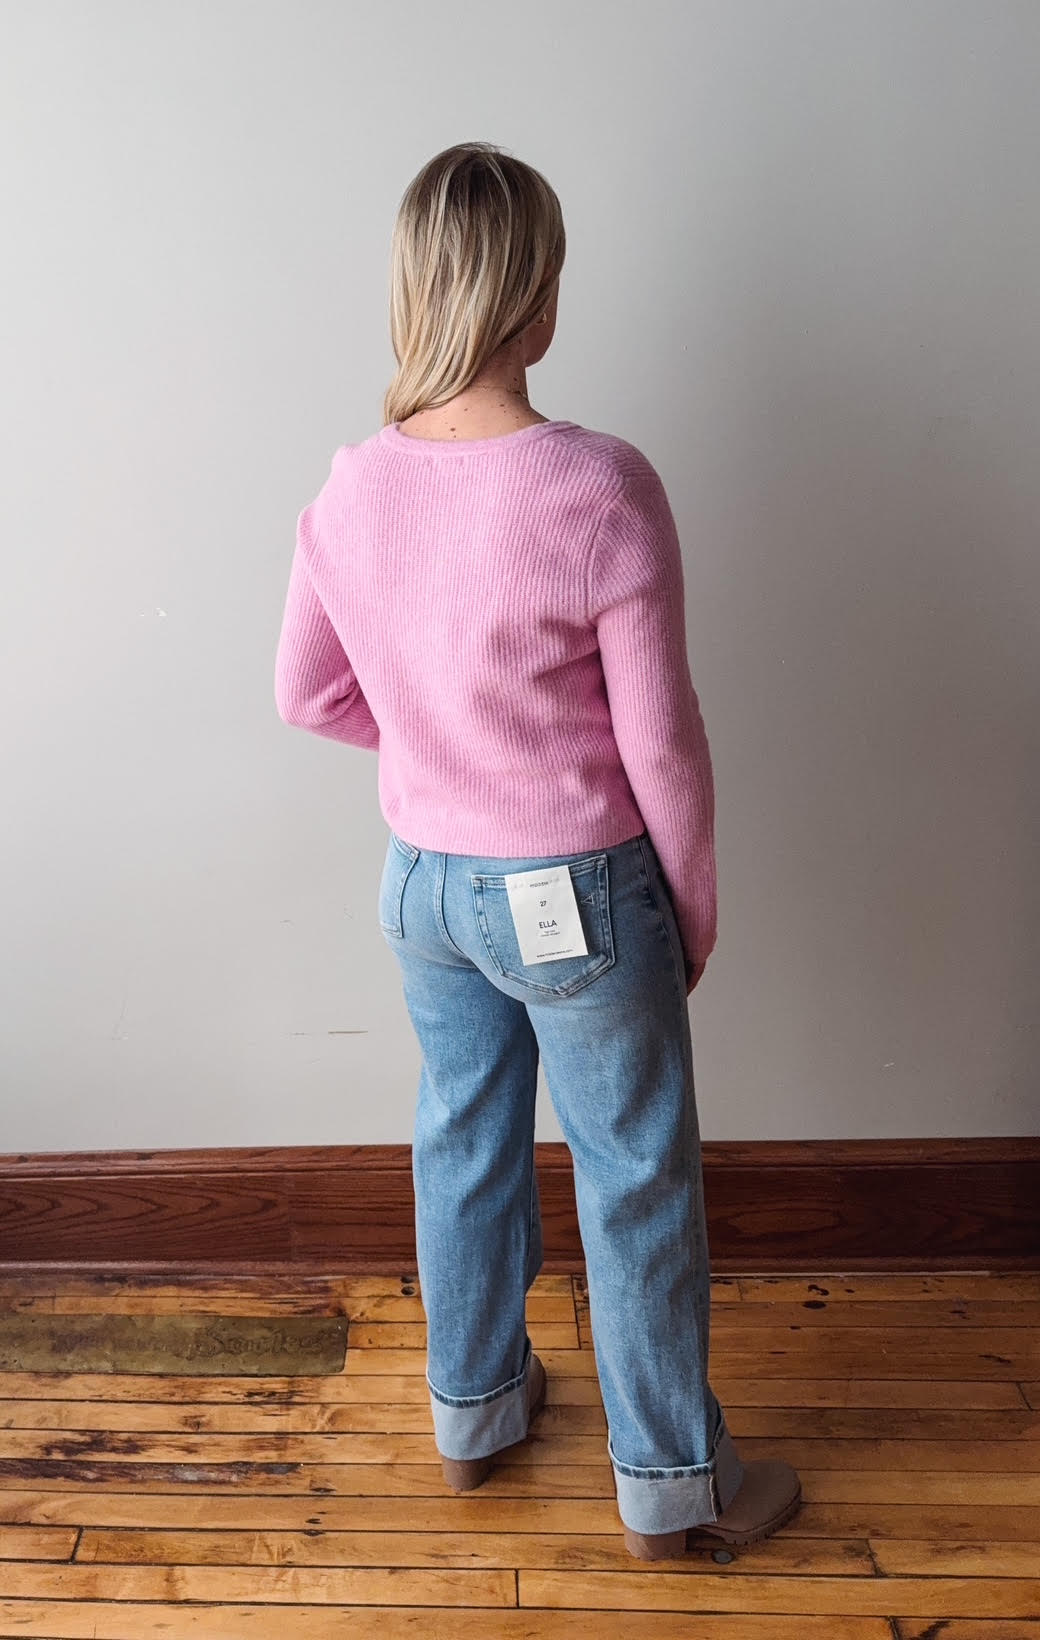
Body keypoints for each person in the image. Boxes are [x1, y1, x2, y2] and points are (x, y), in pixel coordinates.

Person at [274, 140, 801, 1560]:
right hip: (575, 888)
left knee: (463, 1139)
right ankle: (677, 1492)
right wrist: (688, 910)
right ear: (538, 297)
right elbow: (662, 744)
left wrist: (444, 753)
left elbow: (308, 692)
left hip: (423, 887)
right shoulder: (598, 485)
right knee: (632, 1173)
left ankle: (476, 1417)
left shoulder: (351, 485)